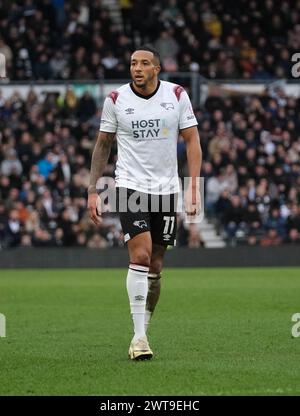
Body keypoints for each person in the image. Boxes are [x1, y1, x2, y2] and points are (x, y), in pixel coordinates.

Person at [87, 45, 202, 360]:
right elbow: (102, 145)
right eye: (133, 63)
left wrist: (193, 187)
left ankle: (143, 330)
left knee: (156, 265)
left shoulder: (177, 95)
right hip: (130, 187)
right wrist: (93, 190)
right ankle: (139, 339)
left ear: (157, 69)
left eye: (144, 63)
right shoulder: (115, 100)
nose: (136, 68)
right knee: (140, 254)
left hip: (166, 191)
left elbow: (192, 140)